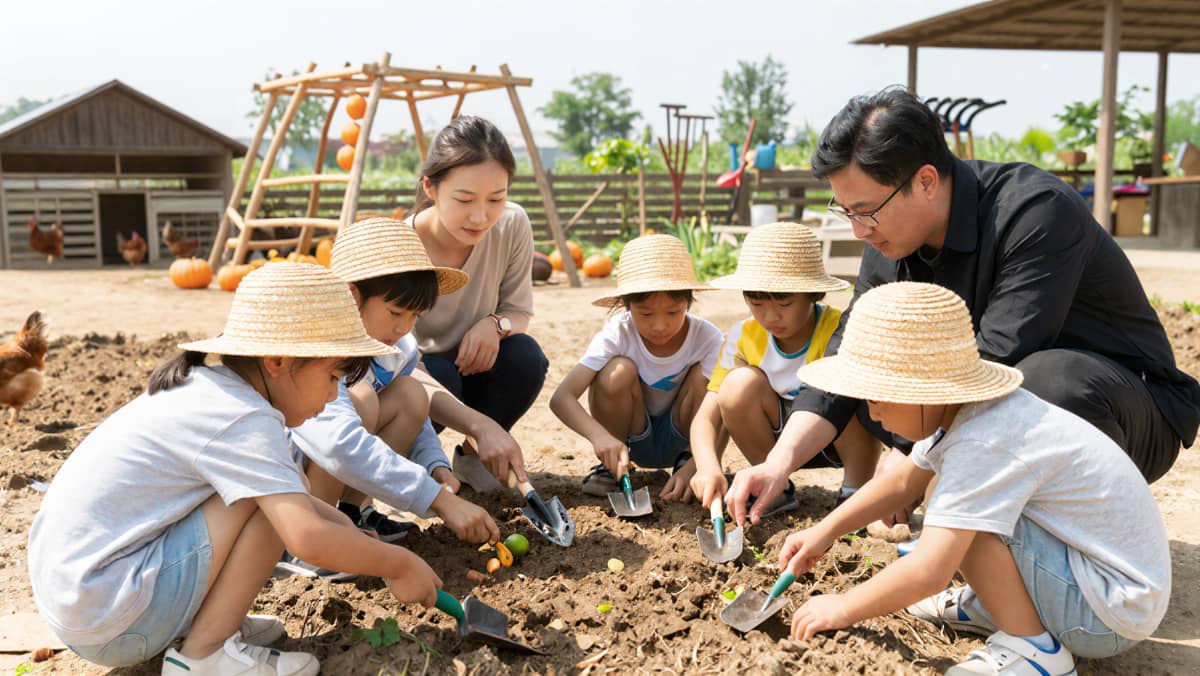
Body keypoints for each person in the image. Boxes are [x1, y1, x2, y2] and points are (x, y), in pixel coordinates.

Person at [728, 86, 1200, 527]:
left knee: (1042, 382)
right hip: (999, 407)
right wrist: (778, 462)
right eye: (846, 211)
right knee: (881, 391)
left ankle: (1081, 556)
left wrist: (911, 465)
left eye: (865, 211)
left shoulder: (1035, 212)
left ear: (927, 181)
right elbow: (850, 352)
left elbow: (997, 361)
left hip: (1124, 409)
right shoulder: (888, 235)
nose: (857, 230)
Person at [27, 264, 443, 675]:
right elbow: (306, 537)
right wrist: (398, 563)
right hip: (112, 614)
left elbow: (304, 504)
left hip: (79, 598)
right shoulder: (244, 419)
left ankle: (207, 622)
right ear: (277, 361)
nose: (335, 394)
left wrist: (347, 531)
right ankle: (204, 655)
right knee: (268, 502)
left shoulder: (212, 390)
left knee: (276, 488)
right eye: (333, 376)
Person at [779, 282, 1170, 676]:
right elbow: (902, 484)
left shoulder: (984, 439)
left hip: (1107, 611)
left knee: (963, 519)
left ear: (924, 391)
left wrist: (844, 606)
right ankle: (995, 601)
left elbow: (929, 571)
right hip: (1101, 581)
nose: (872, 411)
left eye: (879, 397)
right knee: (952, 501)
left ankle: (1034, 650)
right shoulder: (964, 410)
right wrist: (826, 531)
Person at [290, 218, 505, 561]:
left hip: (340, 461)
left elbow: (417, 420)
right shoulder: (320, 351)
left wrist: (435, 467)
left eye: (415, 316)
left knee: (411, 394)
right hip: (292, 481)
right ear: (352, 295)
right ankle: (308, 540)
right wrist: (437, 499)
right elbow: (337, 443)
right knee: (360, 398)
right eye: (395, 312)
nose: (404, 326)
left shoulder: (398, 348)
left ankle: (352, 512)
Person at [689, 222, 878, 516]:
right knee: (736, 386)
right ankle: (774, 488)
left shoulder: (837, 329)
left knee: (848, 385)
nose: (770, 316)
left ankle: (856, 490)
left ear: (814, 294)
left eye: (785, 304)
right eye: (757, 304)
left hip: (837, 435)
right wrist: (707, 467)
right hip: (775, 440)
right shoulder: (744, 336)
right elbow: (706, 418)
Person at [408, 116, 548, 492]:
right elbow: (395, 360)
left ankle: (472, 458)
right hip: (420, 376)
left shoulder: (513, 225)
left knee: (525, 357)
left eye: (496, 199)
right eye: (464, 199)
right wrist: (479, 422)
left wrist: (494, 325)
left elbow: (518, 312)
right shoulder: (403, 246)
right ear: (430, 187)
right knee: (439, 374)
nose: (480, 216)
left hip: (481, 364)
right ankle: (420, 463)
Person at [550, 234, 723, 501]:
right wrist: (601, 438)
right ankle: (612, 469)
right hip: (626, 440)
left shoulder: (707, 337)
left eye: (673, 312)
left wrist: (699, 464)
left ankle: (688, 461)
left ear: (689, 302)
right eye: (645, 314)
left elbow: (722, 415)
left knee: (711, 383)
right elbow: (561, 398)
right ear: (626, 305)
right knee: (616, 371)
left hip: (688, 439)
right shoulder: (619, 333)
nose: (659, 326)